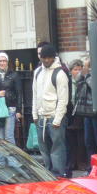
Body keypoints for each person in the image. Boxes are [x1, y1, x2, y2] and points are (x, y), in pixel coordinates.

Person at [32, 44, 68, 177]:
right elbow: (35, 94)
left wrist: (58, 119)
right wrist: (34, 114)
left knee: (57, 148)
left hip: (53, 116)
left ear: (54, 57)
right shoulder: (37, 72)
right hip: (41, 116)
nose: (46, 60)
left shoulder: (60, 74)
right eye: (44, 58)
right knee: (44, 149)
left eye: (49, 58)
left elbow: (63, 99)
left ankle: (58, 174)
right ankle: (48, 174)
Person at [80, 57, 97, 171]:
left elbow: (95, 88)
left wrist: (87, 76)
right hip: (87, 112)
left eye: (86, 66)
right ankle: (92, 167)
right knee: (89, 141)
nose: (84, 68)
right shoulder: (84, 76)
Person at [66, 59, 88, 176]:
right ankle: (72, 162)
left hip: (81, 113)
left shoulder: (84, 81)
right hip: (70, 112)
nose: (78, 72)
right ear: (71, 71)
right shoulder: (68, 82)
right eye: (75, 69)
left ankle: (81, 162)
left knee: (81, 140)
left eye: (80, 69)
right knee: (70, 140)